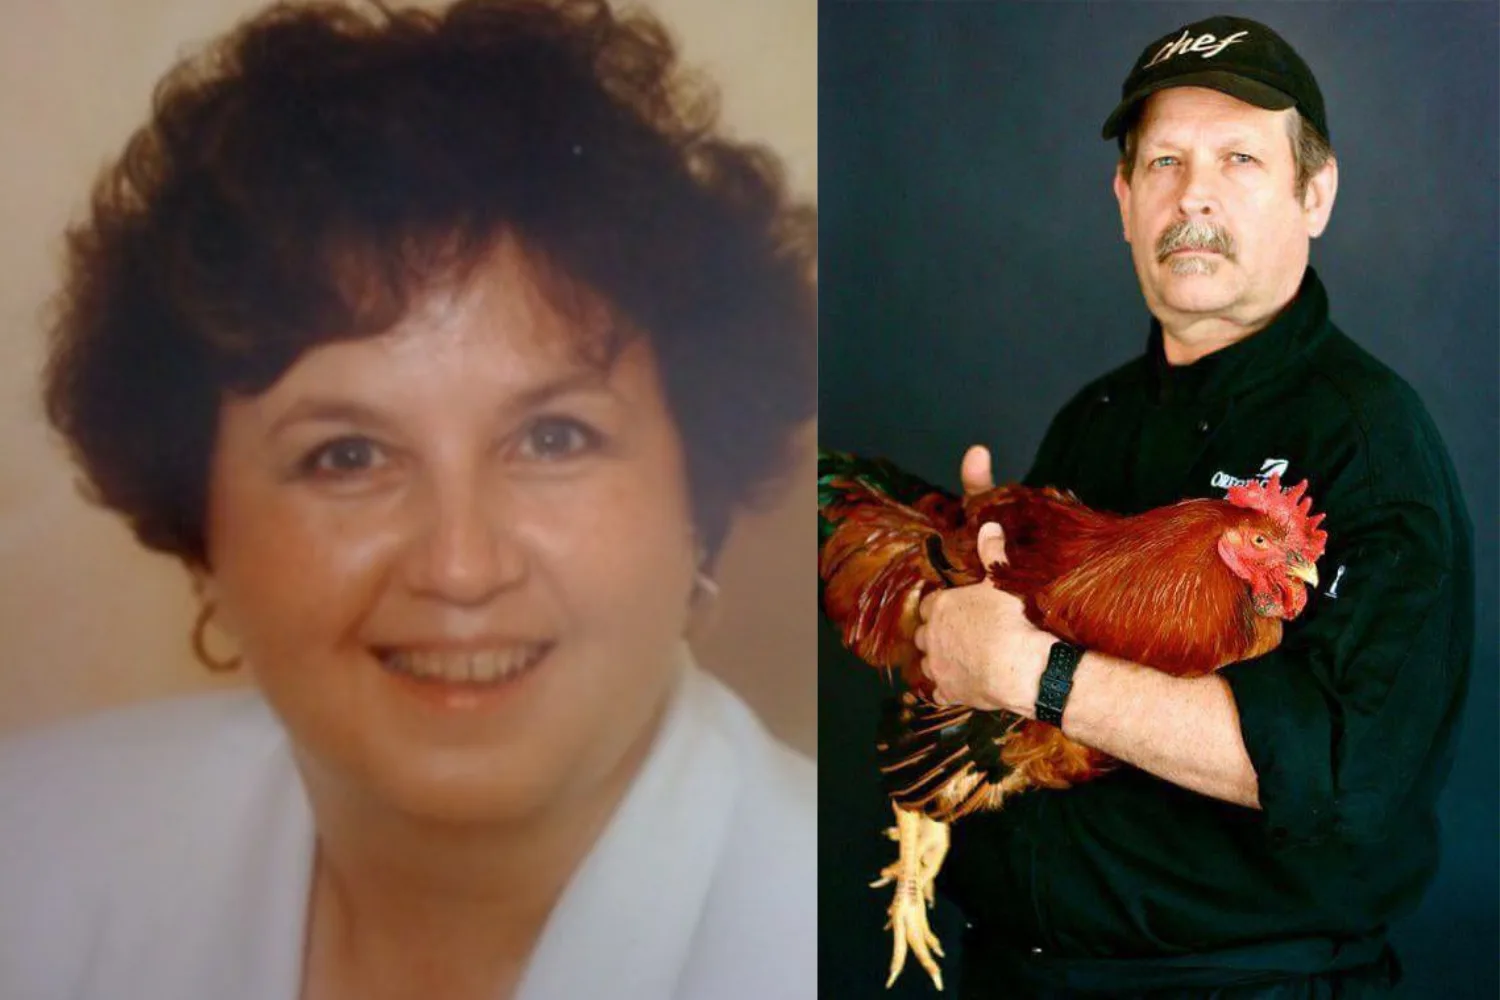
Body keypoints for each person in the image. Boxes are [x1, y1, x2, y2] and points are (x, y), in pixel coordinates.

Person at [0, 2, 817, 998]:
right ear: (200, 531)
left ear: (701, 488)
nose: (461, 565)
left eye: (554, 438)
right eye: (346, 455)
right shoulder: (31, 853)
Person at [913, 15, 1473, 998]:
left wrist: (1032, 672)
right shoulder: (1093, 418)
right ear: (1125, 202)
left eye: (1241, 157)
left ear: (1317, 194)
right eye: (1163, 162)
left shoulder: (1371, 441)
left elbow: (1341, 771)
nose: (1195, 193)